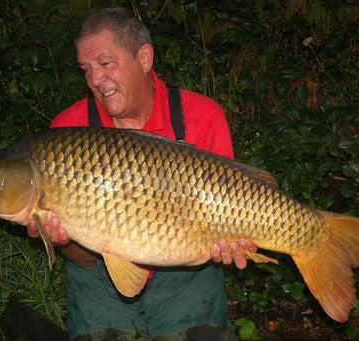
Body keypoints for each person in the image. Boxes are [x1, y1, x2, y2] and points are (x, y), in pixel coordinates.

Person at [27, 7, 256, 340]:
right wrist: (62, 240)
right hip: (99, 272)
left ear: (145, 58)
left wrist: (231, 241)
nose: (94, 80)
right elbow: (81, 258)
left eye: (105, 64)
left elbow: (233, 211)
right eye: (86, 69)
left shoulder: (202, 117)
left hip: (185, 271)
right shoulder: (67, 130)